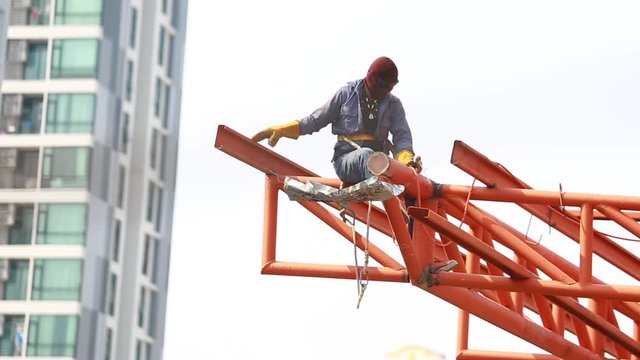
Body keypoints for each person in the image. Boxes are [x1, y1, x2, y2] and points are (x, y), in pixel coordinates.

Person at [251, 56, 422, 184]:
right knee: (367, 156)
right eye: (381, 87)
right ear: (371, 79)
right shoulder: (345, 95)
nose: (383, 92)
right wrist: (281, 130)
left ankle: (406, 217)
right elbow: (315, 121)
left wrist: (407, 162)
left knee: (409, 178)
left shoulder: (393, 104)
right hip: (346, 161)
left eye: (388, 88)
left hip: (381, 166)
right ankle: (384, 192)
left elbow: (402, 138)